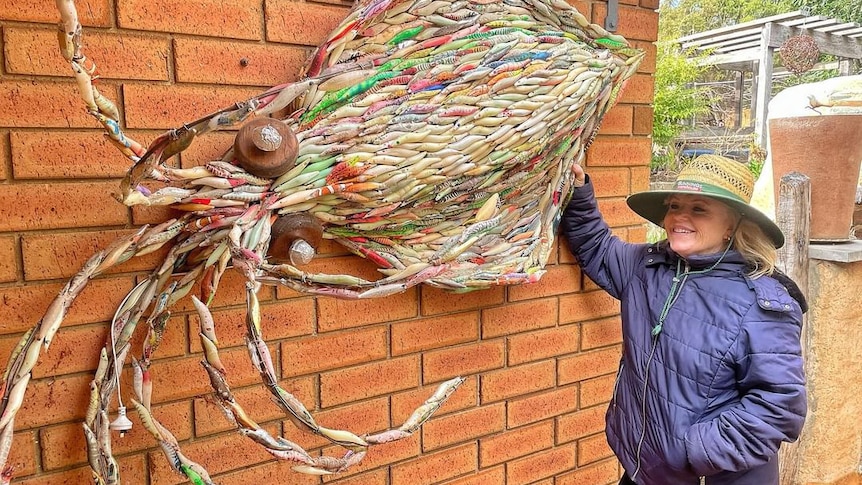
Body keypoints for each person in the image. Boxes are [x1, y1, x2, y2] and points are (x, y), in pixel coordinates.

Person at [561, 155, 807, 485]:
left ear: (732, 225)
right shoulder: (648, 268)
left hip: (712, 476)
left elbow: (778, 409)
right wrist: (577, 192)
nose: (679, 216)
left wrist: (691, 452)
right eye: (674, 205)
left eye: (699, 209)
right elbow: (598, 248)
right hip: (647, 472)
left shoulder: (761, 303)